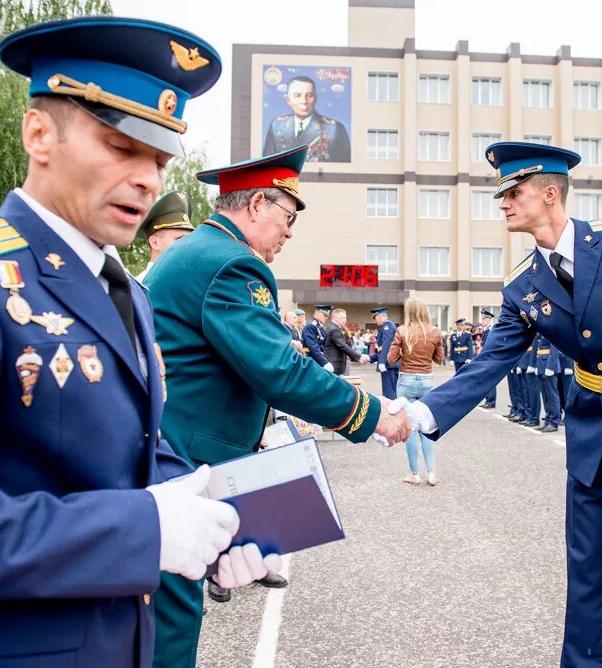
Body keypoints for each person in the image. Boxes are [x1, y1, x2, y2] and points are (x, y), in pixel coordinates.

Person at [0, 17, 281, 667]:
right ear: (38, 134)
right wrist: (146, 533)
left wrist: (216, 519)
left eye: (159, 158)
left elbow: (138, 455)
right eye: (121, 147)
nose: (149, 180)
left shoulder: (124, 291)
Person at [390, 141, 602, 666]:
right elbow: (491, 361)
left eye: (514, 191)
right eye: (501, 194)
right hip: (592, 436)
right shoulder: (522, 285)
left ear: (550, 194)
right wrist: (424, 411)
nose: (502, 203)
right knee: (587, 578)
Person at [145, 145, 409, 667]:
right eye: (287, 217)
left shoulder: (193, 251)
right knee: (172, 623)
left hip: (164, 449)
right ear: (258, 204)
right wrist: (374, 413)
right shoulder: (231, 264)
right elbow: (280, 372)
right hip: (181, 462)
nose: (289, 233)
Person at [387, 297, 444, 485]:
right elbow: (439, 359)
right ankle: (432, 473)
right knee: (427, 426)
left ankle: (414, 473)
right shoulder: (434, 331)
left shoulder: (402, 331)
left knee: (410, 427)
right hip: (427, 379)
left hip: (407, 379)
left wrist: (404, 352)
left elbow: (390, 358)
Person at [263, 75, 351, 162]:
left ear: (315, 99)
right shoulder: (277, 125)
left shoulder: (334, 128)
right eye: (297, 95)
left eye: (309, 95)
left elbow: (344, 169)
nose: (304, 101)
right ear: (288, 100)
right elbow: (265, 165)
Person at [136, 190, 194, 283]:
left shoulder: (190, 281)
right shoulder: (141, 286)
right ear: (155, 243)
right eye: (179, 239)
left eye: (189, 239)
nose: (187, 244)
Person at [531, 333, 562, 433]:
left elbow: (554, 349)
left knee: (552, 395)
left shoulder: (551, 330)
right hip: (541, 364)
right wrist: (536, 365)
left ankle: (554, 422)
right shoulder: (542, 331)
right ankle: (548, 419)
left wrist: (550, 366)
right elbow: (538, 350)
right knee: (545, 395)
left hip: (549, 365)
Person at [325, 307, 369, 375]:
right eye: (343, 318)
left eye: (345, 318)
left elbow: (347, 345)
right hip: (334, 364)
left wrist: (348, 336)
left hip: (336, 364)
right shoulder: (334, 329)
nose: (345, 320)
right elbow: (343, 346)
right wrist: (358, 357)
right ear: (335, 318)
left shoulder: (336, 328)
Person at [372, 306, 400, 399]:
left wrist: (382, 362)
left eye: (375, 318)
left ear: (380, 316)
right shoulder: (388, 325)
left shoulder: (387, 326)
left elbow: (386, 344)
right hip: (390, 363)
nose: (375, 320)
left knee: (389, 393)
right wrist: (371, 358)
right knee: (391, 390)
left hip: (388, 364)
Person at [302, 304, 334, 370]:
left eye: (327, 316)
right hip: (313, 360)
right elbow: (312, 347)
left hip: (318, 359)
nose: (327, 318)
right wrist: (324, 362)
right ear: (318, 313)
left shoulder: (318, 326)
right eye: (325, 315)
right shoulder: (311, 326)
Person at [478, 310, 498, 408]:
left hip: (490, 358)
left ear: (490, 320)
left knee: (490, 380)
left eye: (485, 319)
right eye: (482, 319)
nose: (483, 321)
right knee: (486, 380)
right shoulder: (485, 331)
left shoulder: (491, 330)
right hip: (486, 358)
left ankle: (491, 401)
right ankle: (488, 400)